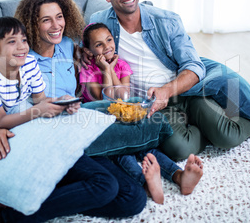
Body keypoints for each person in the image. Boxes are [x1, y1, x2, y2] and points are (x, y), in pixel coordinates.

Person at [83, 0, 250, 162]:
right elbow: (85, 44)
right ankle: (206, 124)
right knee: (179, 150)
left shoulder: (166, 20)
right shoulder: (100, 22)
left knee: (228, 136)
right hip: (151, 105)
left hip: (185, 92)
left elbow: (194, 66)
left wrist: (166, 91)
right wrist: (82, 54)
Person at [0, 0, 147, 223]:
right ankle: (5, 216)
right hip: (41, 140)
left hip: (69, 130)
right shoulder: (20, 57)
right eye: (46, 20)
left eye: (59, 17)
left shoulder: (67, 46)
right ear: (33, 24)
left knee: (133, 199)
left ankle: (16, 198)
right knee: (105, 186)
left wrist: (67, 97)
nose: (56, 24)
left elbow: (91, 53)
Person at [80, 22, 203, 204]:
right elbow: (105, 101)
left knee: (146, 147)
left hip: (122, 117)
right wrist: (106, 70)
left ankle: (179, 176)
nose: (107, 47)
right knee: (123, 152)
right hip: (100, 123)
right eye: (99, 44)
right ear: (89, 51)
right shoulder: (87, 70)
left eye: (109, 40)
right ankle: (146, 184)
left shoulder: (121, 65)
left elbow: (122, 96)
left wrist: (112, 69)